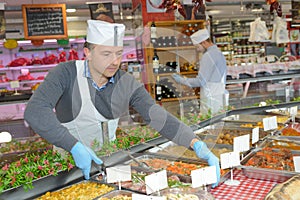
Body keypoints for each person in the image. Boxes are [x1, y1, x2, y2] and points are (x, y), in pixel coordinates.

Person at [24, 20, 221, 187]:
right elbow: (34, 111)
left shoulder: (124, 82)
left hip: (108, 167)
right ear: (88, 52)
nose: (115, 61)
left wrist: (195, 142)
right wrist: (73, 146)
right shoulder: (65, 74)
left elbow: (157, 116)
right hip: (66, 171)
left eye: (118, 53)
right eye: (106, 54)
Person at [172, 29, 228, 115]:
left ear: (204, 42)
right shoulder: (218, 53)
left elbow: (200, 81)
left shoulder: (208, 56)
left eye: (198, 47)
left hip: (210, 98)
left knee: (209, 124)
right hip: (219, 96)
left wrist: (182, 80)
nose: (198, 50)